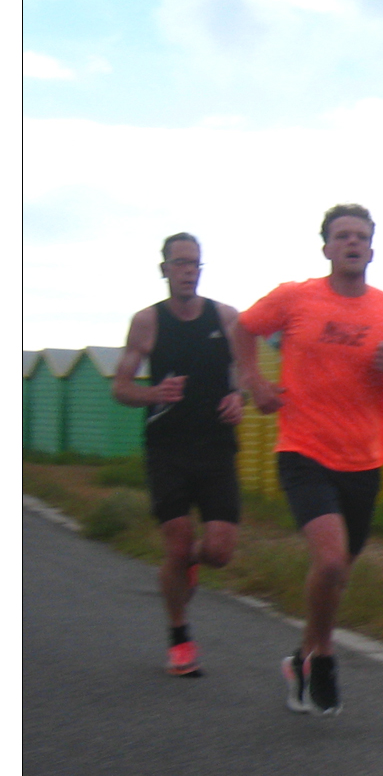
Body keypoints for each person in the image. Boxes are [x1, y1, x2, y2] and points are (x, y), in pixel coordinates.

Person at [233, 204, 383, 716]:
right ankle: (326, 656)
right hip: (304, 450)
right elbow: (243, 328)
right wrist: (254, 382)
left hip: (364, 458)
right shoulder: (296, 298)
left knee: (337, 574)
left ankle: (302, 657)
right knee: (331, 560)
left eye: (361, 236)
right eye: (342, 236)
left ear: (372, 249)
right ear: (326, 248)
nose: (352, 243)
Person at [113, 233, 243, 677]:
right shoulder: (147, 322)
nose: (188, 271)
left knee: (220, 551)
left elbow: (247, 371)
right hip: (167, 447)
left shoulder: (225, 317)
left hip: (216, 448)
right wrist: (154, 392)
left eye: (195, 264)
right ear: (164, 269)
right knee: (177, 537)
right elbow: (120, 387)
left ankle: (188, 562)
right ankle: (180, 638)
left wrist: (239, 397)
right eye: (180, 263)